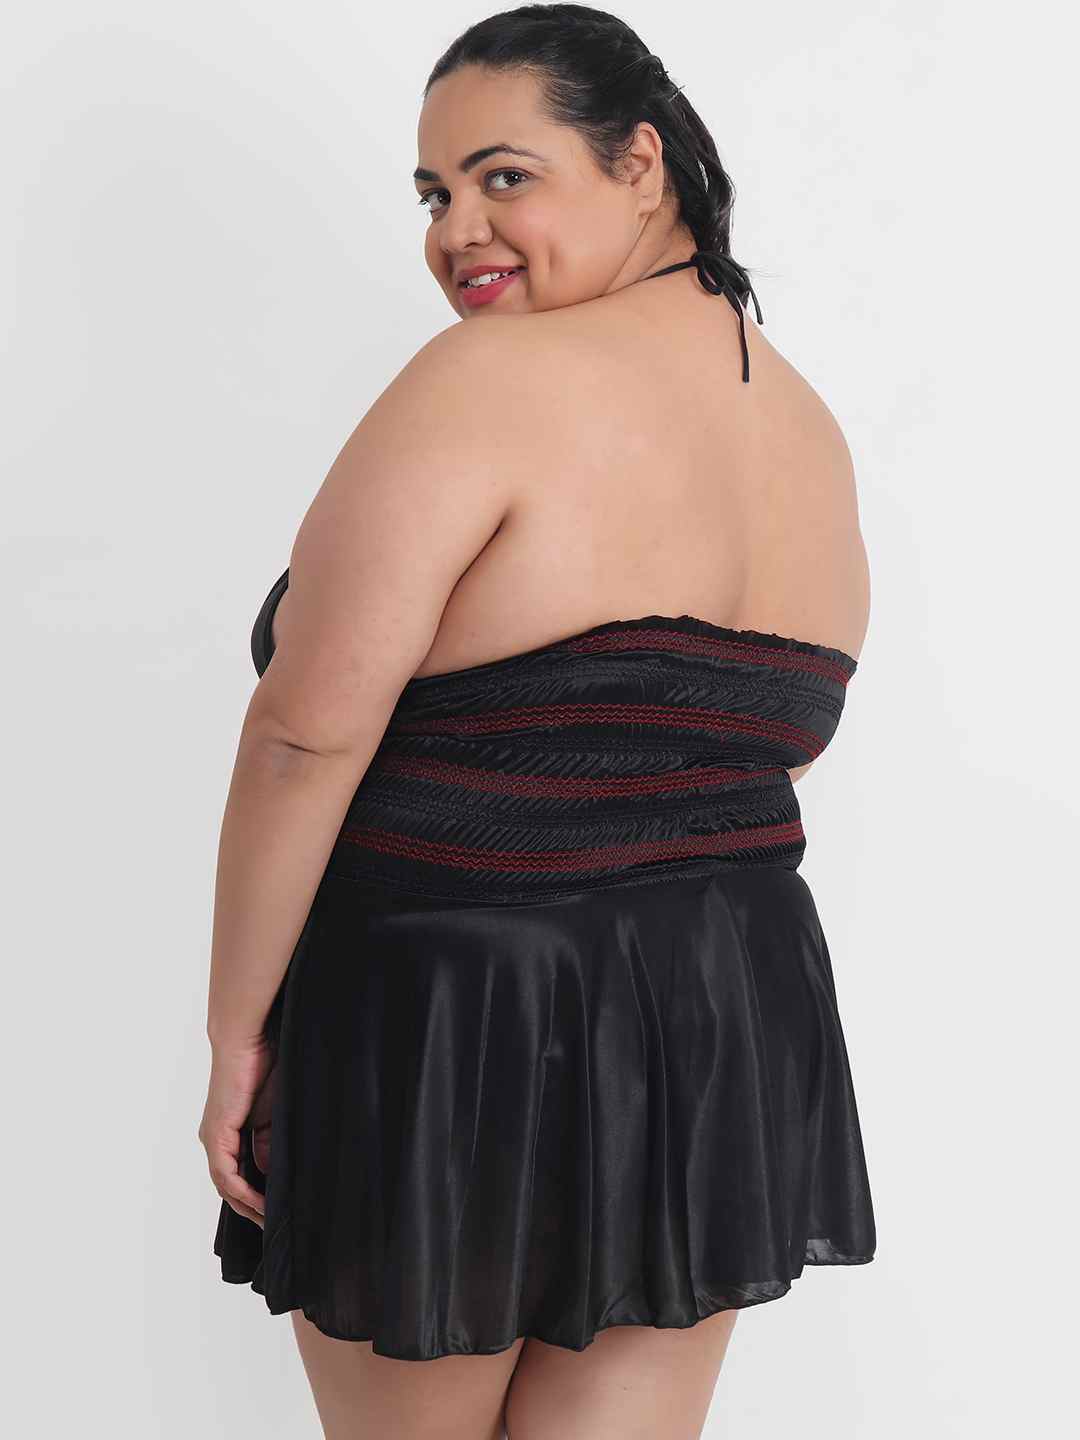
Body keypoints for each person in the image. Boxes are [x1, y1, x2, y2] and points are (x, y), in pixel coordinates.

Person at [200, 6, 877, 1437]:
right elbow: (758, 740)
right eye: (434, 195)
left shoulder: (489, 381)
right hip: (718, 1006)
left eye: (505, 176)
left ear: (641, 162)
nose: (459, 232)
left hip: (450, 1003)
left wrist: (235, 1036)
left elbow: (303, 738)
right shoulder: (805, 429)